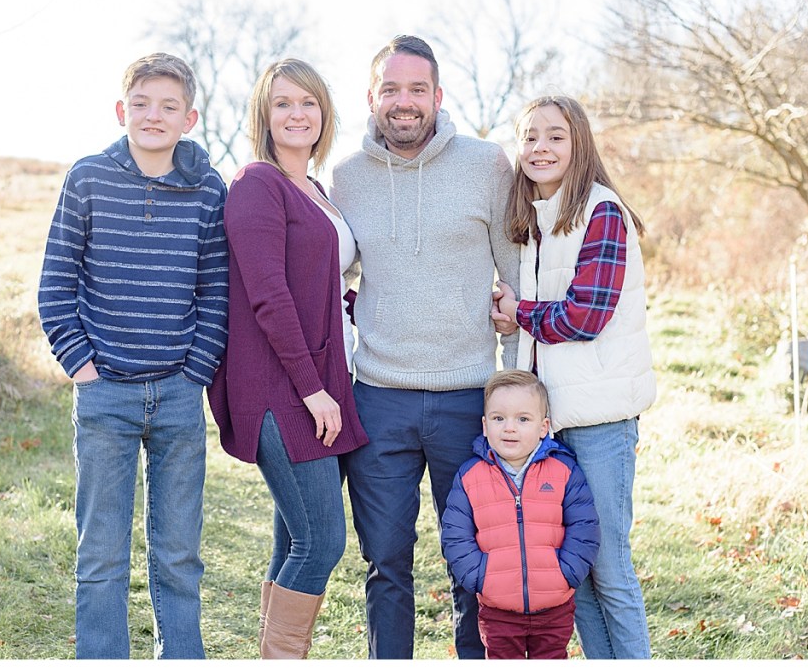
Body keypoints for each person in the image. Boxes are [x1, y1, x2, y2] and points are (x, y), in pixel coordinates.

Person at [330, 34, 520, 659]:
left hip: (469, 395)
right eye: (391, 89)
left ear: (438, 97)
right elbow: (331, 273)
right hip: (379, 398)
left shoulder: (487, 164)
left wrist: (519, 381)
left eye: (417, 90)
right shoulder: (347, 176)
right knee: (385, 562)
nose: (404, 102)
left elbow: (517, 274)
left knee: (475, 556)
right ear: (372, 98)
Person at [36, 52, 229, 659]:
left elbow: (216, 290)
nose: (154, 115)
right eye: (141, 104)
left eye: (169, 106)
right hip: (105, 394)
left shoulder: (208, 190)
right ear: (122, 111)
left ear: (189, 117)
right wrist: (82, 367)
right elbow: (55, 284)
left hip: (176, 394)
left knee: (178, 552)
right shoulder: (88, 178)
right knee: (101, 552)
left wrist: (195, 372)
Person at [206, 58, 369, 660]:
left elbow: (318, 284)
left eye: (307, 102)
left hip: (317, 380)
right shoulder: (257, 184)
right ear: (264, 116)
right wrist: (312, 388)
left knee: (294, 538)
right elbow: (268, 296)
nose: (296, 114)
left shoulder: (316, 190)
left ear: (324, 112)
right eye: (282, 104)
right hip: (280, 386)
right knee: (321, 542)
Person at [492, 95, 657, 659]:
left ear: (579, 143)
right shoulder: (532, 220)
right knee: (574, 572)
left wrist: (521, 312)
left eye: (555, 136)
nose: (541, 147)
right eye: (530, 136)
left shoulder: (602, 211)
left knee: (609, 567)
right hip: (551, 426)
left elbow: (586, 316)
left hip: (600, 423)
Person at [441, 370, 600, 659]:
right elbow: (455, 534)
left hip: (555, 604)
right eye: (499, 418)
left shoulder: (563, 471)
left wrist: (567, 573)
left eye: (523, 419)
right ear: (485, 426)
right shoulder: (471, 476)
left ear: (544, 427)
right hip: (498, 608)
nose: (509, 428)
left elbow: (584, 526)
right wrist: (480, 577)